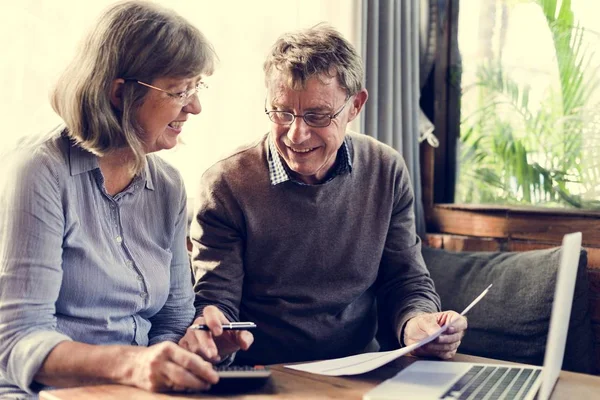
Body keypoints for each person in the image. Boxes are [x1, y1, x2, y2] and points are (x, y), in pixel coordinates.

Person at [179, 24, 468, 366]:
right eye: (282, 112)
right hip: (267, 372)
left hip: (364, 368)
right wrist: (212, 330)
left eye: (317, 115)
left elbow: (405, 279)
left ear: (355, 106)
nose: (297, 135)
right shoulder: (226, 184)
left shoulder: (385, 170)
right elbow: (216, 299)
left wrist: (417, 324)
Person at [0, 1, 220, 397]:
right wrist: (131, 366)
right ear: (120, 93)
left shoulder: (168, 187)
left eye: (196, 87)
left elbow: (172, 322)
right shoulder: (39, 171)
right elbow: (18, 341)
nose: (195, 107)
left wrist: (197, 344)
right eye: (179, 91)